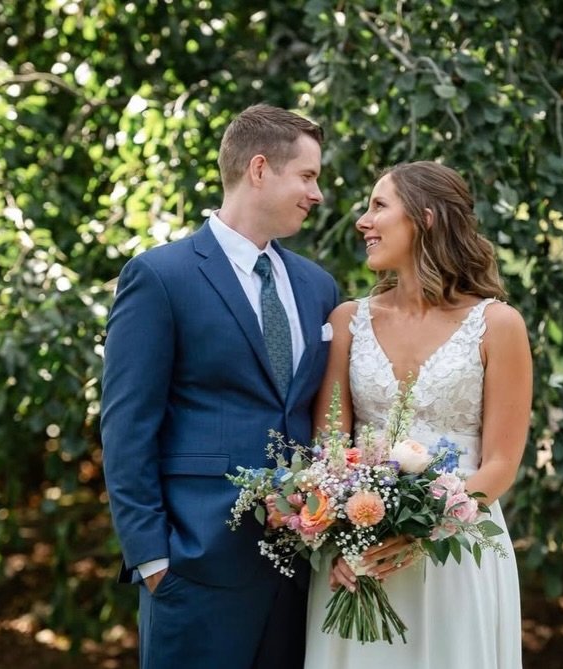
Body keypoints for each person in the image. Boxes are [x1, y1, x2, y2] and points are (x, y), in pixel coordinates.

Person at [101, 104, 341, 669]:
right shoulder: (161, 276)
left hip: (298, 573)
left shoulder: (317, 286)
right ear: (260, 169)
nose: (318, 193)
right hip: (194, 567)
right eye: (308, 176)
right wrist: (152, 560)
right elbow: (126, 425)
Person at [304, 161, 532, 668]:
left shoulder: (498, 326)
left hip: (458, 556)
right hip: (357, 557)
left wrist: (423, 531)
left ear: (426, 220)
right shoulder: (348, 321)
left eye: (379, 206)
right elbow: (330, 449)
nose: (362, 222)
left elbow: (500, 463)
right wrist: (340, 538)